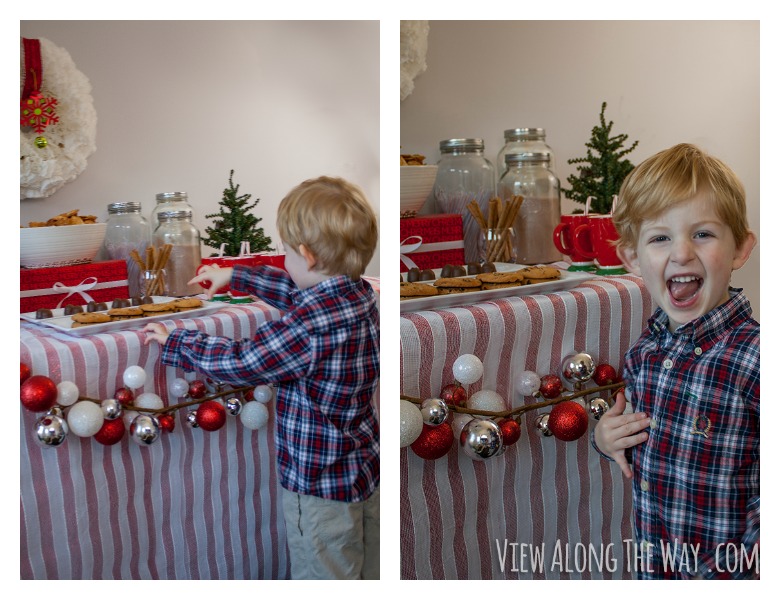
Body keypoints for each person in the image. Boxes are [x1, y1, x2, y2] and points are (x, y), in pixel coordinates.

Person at [143, 176, 380, 580]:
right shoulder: (359, 295)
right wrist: (235, 275)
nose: (285, 261)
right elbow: (297, 291)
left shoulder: (308, 327)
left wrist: (179, 343)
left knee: (324, 573)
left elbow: (245, 360)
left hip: (318, 485)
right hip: (362, 471)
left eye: (286, 253)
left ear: (305, 255)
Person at [593, 143, 759, 579]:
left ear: (740, 249)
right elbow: (640, 439)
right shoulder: (644, 352)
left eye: (702, 234)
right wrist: (607, 440)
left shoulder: (756, 359)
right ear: (632, 259)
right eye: (660, 238)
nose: (681, 253)